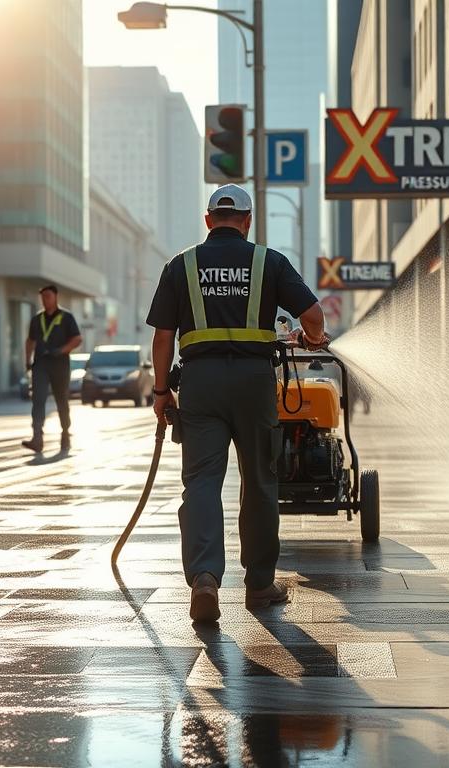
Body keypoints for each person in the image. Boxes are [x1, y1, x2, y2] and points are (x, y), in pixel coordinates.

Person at [146, 184, 328, 624]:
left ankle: (205, 579)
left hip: (201, 385)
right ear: (247, 221)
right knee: (260, 481)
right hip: (253, 383)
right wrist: (312, 339)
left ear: (208, 220)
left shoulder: (182, 265)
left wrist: (159, 392)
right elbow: (314, 318)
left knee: (203, 482)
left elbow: (163, 336)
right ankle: (260, 585)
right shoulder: (269, 262)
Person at [22, 285, 83, 453]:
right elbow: (30, 341)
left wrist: (62, 350)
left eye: (48, 296)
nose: (45, 300)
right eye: (42, 297)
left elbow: (77, 339)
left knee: (61, 400)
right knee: (38, 399)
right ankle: (37, 438)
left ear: (56, 297)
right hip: (41, 363)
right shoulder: (37, 319)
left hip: (60, 364)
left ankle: (65, 434)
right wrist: (27, 361)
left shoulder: (66, 317)